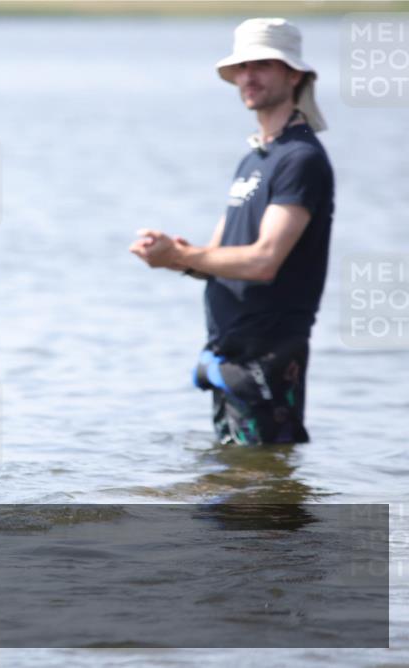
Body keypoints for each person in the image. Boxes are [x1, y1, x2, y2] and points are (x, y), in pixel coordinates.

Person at [129, 18, 334, 446]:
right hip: (231, 359)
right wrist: (171, 254)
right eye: (241, 67)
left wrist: (183, 257)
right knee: (234, 495)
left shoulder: (300, 159)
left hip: (271, 358)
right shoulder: (255, 159)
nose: (247, 77)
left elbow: (263, 261)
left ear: (293, 74)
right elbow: (217, 257)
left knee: (264, 497)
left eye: (261, 65)